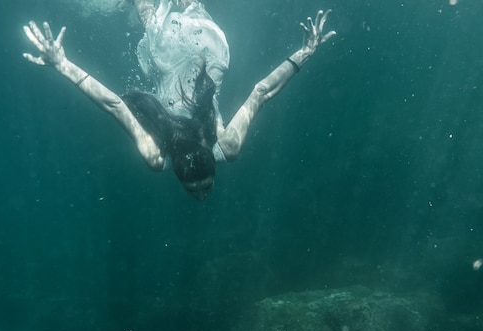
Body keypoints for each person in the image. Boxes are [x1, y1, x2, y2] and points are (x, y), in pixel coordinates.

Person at [23, 0, 336, 200]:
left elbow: (115, 105)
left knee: (166, 8)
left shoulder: (184, 153)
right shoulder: (168, 155)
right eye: (205, 188)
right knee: (160, 10)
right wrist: (304, 54)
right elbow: (261, 93)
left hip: (199, 56)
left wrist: (64, 66)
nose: (201, 196)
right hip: (198, 52)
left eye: (195, 189)